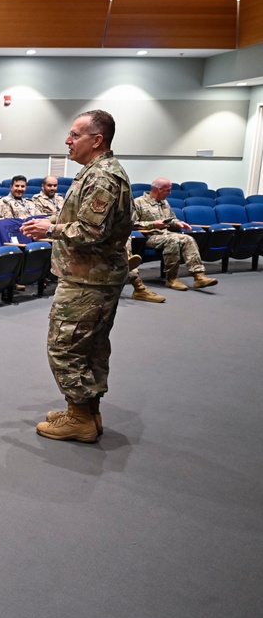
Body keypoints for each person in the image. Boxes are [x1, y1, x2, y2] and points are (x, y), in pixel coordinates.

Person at [21, 110, 133, 443]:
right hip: (92, 276)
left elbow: (91, 230)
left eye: (74, 135)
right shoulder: (96, 172)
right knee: (90, 346)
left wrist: (50, 229)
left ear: (96, 140)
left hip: (89, 280)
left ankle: (79, 418)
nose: (67, 141)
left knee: (65, 346)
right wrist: (53, 223)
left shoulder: (103, 177)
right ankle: (86, 410)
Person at [133, 178, 219, 290]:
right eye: (167, 190)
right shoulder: (138, 202)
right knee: (173, 240)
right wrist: (153, 224)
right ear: (159, 189)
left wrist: (178, 223)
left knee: (188, 239)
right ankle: (172, 279)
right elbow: (131, 224)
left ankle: (199, 276)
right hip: (149, 237)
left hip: (166, 234)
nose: (170, 193)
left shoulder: (164, 203)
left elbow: (170, 219)